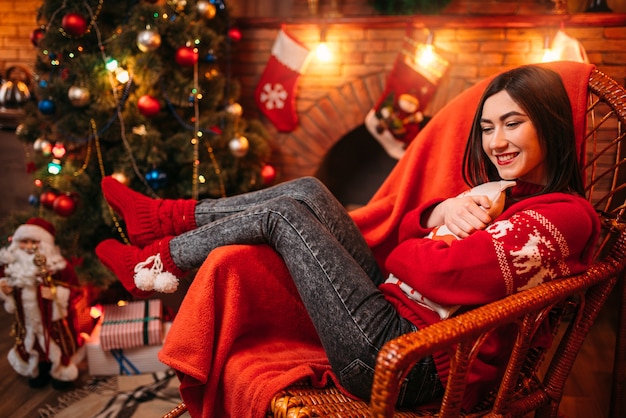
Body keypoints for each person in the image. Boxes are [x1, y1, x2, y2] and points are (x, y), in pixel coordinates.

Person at [95, 65, 600, 410]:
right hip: (395, 316)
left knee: (284, 218)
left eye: (513, 123)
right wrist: (439, 211)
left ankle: (158, 262)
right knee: (310, 192)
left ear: (551, 126)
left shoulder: (563, 216)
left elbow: (441, 271)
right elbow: (414, 235)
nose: (496, 142)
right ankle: (163, 219)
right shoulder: (508, 195)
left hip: (406, 362)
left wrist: (412, 251)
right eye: (488, 128)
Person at [0, 217, 85, 390]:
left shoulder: (59, 266)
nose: (29, 246)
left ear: (45, 244)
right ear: (16, 242)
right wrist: (4, 291)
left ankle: (62, 374)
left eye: (35, 242)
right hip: (26, 319)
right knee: (32, 345)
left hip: (53, 320)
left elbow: (75, 289)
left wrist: (56, 294)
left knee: (58, 346)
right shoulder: (10, 264)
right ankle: (39, 369)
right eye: (24, 242)